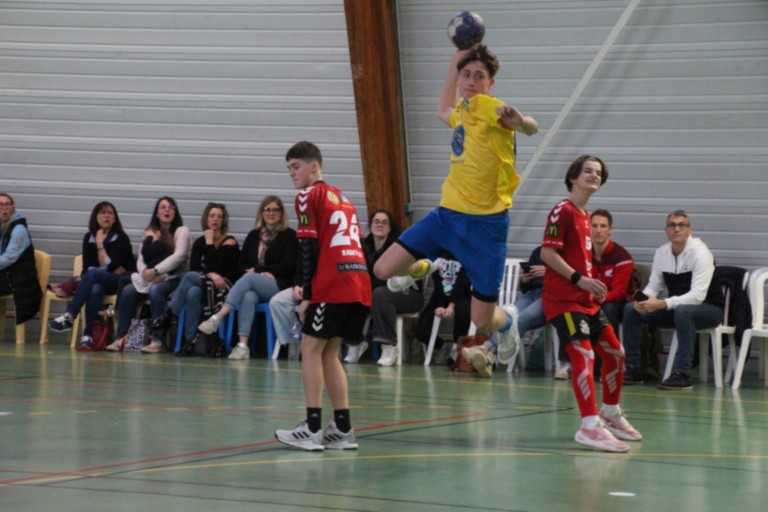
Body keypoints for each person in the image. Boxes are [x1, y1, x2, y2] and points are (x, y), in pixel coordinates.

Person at [373, 45, 538, 364]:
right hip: (447, 216)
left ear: (490, 83)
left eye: (480, 76)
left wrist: (521, 121)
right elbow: (443, 109)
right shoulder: (462, 111)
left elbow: (530, 126)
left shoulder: (491, 108)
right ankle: (422, 267)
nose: (472, 81)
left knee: (483, 319)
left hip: (487, 226)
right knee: (382, 269)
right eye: (467, 75)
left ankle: (508, 323)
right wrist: (455, 61)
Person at [540, 155, 641, 453]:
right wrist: (579, 280)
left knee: (615, 353)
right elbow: (547, 254)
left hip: (587, 303)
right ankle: (589, 426)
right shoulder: (562, 210)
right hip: (563, 302)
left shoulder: (585, 216)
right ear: (573, 177)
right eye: (587, 171)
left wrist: (593, 286)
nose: (594, 175)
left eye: (598, 172)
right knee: (584, 355)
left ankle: (610, 413)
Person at [274, 141, 371, 451]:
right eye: (289, 168)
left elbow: (308, 246)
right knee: (330, 352)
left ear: (314, 166)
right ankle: (342, 427)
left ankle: (312, 427)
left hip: (333, 282)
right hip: (358, 281)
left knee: (310, 348)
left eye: (296, 166)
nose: (292, 173)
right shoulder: (342, 197)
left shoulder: (308, 196)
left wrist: (308, 293)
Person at [622, 210, 723, 390]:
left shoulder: (701, 253)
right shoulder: (662, 253)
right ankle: (634, 370)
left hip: (709, 309)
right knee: (631, 310)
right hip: (677, 309)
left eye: (681, 225)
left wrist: (663, 303)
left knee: (684, 312)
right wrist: (643, 301)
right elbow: (654, 286)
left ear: (689, 230)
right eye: (672, 225)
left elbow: (697, 296)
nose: (676, 229)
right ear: (666, 230)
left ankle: (682, 375)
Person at [197, 195, 297, 360]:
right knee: (248, 296)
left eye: (275, 210)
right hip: (255, 284)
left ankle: (218, 317)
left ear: (281, 213)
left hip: (278, 285)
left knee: (250, 278)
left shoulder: (289, 235)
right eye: (267, 209)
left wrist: (261, 270)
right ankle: (243, 346)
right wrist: (257, 272)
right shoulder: (253, 235)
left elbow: (289, 265)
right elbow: (241, 264)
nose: (271, 213)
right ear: (261, 213)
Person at [48, 201, 135, 348]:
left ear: (115, 218)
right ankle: (88, 336)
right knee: (95, 289)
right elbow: (87, 268)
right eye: (103, 213)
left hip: (118, 282)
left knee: (94, 274)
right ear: (96, 217)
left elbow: (112, 266)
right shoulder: (89, 237)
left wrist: (100, 245)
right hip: (97, 281)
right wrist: (103, 269)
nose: (106, 216)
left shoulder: (121, 238)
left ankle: (70, 314)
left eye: (110, 213)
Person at [108, 196, 189, 353]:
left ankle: (157, 340)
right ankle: (121, 338)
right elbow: (141, 258)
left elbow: (179, 256)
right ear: (157, 213)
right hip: (150, 277)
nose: (167, 210)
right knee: (128, 291)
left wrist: (156, 271)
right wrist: (145, 272)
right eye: (163, 207)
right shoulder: (150, 232)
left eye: (171, 207)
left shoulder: (181, 231)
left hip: (173, 278)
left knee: (156, 290)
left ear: (175, 212)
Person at [157, 203, 239, 352]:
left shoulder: (230, 242)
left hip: (224, 286)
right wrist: (210, 274)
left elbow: (219, 268)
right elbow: (196, 267)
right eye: (212, 216)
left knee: (189, 277)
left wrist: (209, 243)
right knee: (192, 292)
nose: (215, 219)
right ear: (206, 218)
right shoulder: (199, 242)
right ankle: (190, 341)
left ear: (223, 221)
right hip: (205, 284)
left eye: (219, 217)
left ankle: (170, 313)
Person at [345, 209, 423, 366]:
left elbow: (405, 276)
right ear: (370, 225)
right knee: (353, 294)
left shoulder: (399, 246)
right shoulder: (362, 246)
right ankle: (355, 343)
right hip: (374, 293)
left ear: (390, 227)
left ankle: (388, 346)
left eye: (384, 222)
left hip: (407, 294)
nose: (379, 224)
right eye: (376, 221)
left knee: (380, 294)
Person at [415, 251, 471, 366]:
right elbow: (438, 283)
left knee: (463, 312)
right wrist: (440, 305)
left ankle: (457, 349)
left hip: (461, 295)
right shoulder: (436, 254)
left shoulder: (466, 253)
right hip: (440, 295)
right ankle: (442, 346)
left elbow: (463, 283)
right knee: (420, 328)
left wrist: (451, 305)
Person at [0, 193, 42, 327]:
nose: (4, 208)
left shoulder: (18, 230)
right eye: (0, 205)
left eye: (7, 204)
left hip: (20, 281)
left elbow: (8, 258)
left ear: (13, 208)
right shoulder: (3, 226)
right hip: (8, 275)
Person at [590, 209, 634, 332]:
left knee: (606, 309)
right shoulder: (583, 254)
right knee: (570, 309)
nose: (598, 230)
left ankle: (611, 344)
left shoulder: (622, 256)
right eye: (594, 226)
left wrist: (601, 298)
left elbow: (619, 292)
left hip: (618, 303)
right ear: (588, 229)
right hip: (592, 299)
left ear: (610, 230)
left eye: (603, 226)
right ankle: (577, 344)